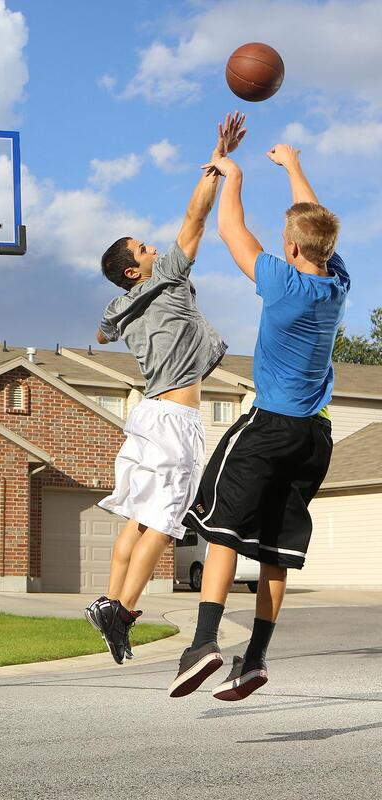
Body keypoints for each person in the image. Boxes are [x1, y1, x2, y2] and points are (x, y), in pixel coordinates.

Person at [168, 143, 349, 701]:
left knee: (220, 528)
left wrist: (235, 173)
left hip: (269, 425)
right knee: (274, 551)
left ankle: (203, 643)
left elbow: (229, 228)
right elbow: (317, 225)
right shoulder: (337, 284)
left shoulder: (281, 281)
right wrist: (294, 167)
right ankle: (256, 659)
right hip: (316, 437)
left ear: (290, 247)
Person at [85, 113, 246, 663]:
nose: (155, 250)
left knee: (136, 516)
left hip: (145, 417)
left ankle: (109, 601)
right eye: (145, 250)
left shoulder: (121, 306)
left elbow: (101, 330)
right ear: (135, 270)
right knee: (163, 519)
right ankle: (122, 610)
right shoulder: (165, 280)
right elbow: (195, 218)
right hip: (174, 419)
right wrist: (216, 162)